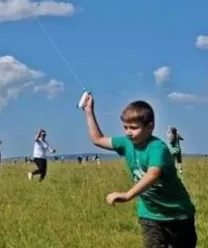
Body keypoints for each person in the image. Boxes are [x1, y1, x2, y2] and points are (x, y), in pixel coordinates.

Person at [81, 94, 197, 248]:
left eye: (134, 128)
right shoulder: (126, 143)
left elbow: (153, 174)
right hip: (150, 215)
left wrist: (128, 195)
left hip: (178, 214)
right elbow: (98, 139)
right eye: (125, 127)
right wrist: (89, 112)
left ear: (150, 127)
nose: (128, 132)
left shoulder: (157, 148)